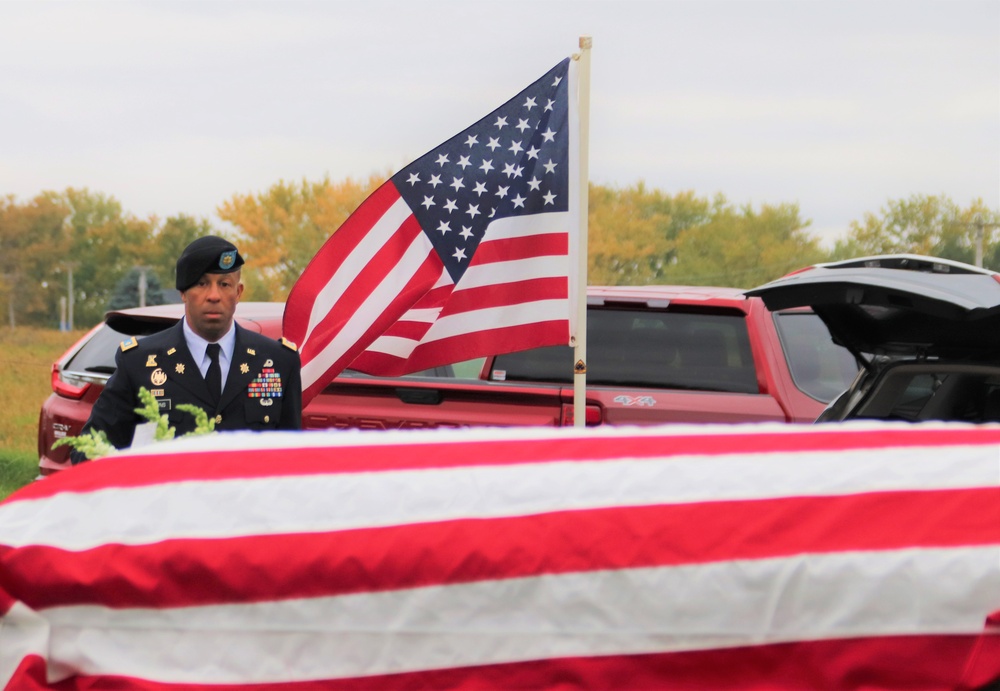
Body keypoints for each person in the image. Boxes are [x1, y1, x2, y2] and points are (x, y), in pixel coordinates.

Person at [71, 236, 302, 463]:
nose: (213, 296)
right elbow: (90, 451)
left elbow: (291, 460)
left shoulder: (277, 361)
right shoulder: (140, 362)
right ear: (182, 292)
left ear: (238, 292)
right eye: (202, 284)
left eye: (224, 284)